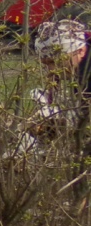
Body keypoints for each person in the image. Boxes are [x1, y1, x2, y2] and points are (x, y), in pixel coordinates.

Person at [27, 19, 91, 147]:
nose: (52, 70)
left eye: (55, 61)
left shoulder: (87, 76)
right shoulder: (83, 69)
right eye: (46, 64)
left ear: (80, 51)